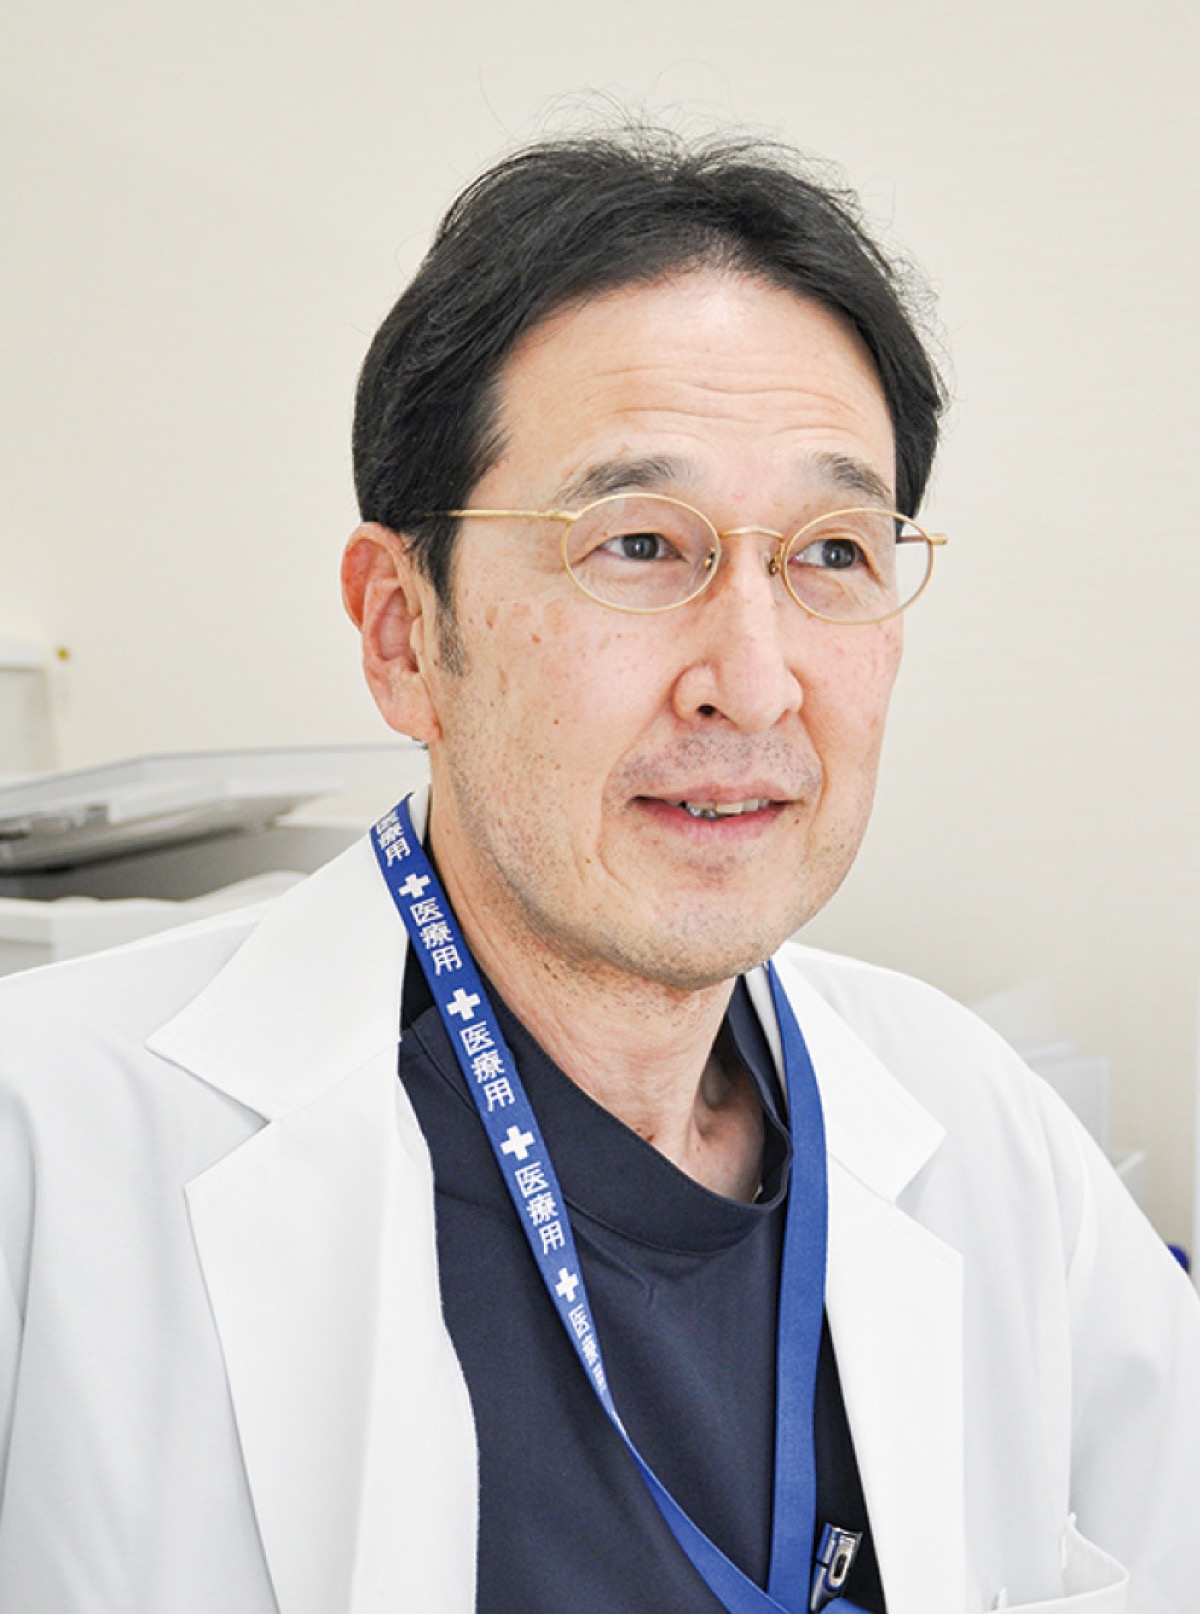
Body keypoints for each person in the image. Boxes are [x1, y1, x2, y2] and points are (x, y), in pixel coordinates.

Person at [0, 127, 1197, 1614]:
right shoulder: (47, 1155)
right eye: (638, 543)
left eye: (834, 552)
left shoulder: (989, 1143)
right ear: (403, 632)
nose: (753, 683)